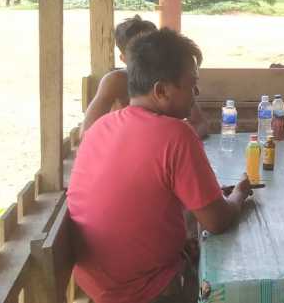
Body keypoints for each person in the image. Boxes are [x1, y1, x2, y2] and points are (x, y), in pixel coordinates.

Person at [68, 29, 252, 303]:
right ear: (161, 90)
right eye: (192, 85)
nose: (196, 93)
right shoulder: (176, 134)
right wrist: (239, 196)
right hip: (144, 291)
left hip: (98, 284)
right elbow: (217, 222)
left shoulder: (101, 127)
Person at [81, 15, 208, 138]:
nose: (148, 59)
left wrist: (172, 142)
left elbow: (199, 123)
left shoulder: (171, 81)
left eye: (155, 51)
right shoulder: (116, 81)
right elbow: (87, 132)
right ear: (123, 58)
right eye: (138, 53)